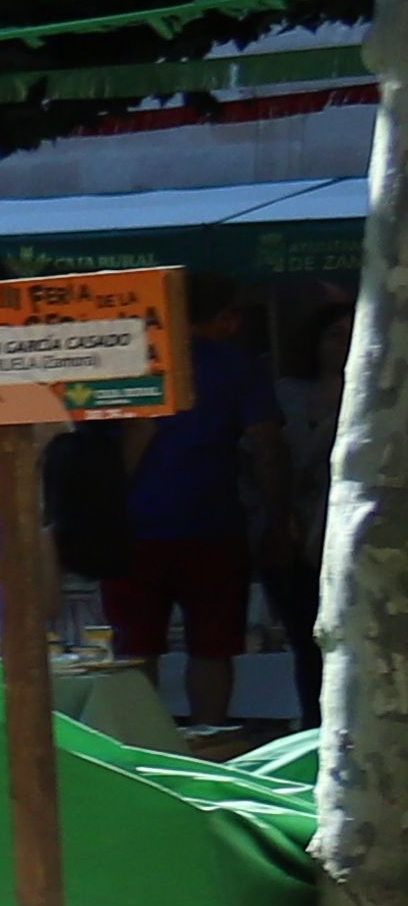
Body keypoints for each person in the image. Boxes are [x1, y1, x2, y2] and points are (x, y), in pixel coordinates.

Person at [113, 296, 285, 727]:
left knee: (135, 650)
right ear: (225, 318)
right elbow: (266, 444)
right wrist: (277, 515)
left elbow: (123, 446)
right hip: (213, 524)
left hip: (132, 526)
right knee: (212, 648)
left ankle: (141, 750)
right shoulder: (237, 366)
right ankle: (209, 748)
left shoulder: (124, 358)